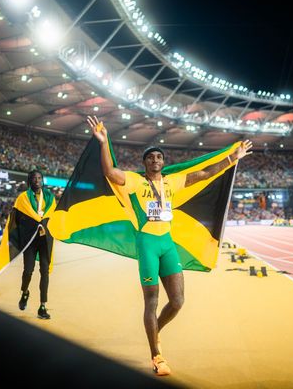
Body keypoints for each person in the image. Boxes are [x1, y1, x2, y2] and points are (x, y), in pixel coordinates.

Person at [87, 115, 252, 376]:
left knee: (177, 301)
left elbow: (205, 173)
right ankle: (157, 355)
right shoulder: (135, 181)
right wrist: (104, 141)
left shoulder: (171, 182)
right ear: (145, 163)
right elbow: (110, 172)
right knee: (151, 302)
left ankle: (154, 332)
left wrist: (233, 158)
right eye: (151, 157)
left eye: (159, 158)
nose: (155, 160)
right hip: (147, 245)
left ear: (164, 163)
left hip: (167, 243)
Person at [16, 170, 56, 320]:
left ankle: (42, 306)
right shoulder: (23, 198)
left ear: (42, 180)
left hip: (45, 239)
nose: (37, 180)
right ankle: (25, 292)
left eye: (39, 178)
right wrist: (33, 223)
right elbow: (18, 218)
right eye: (34, 178)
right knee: (28, 270)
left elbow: (52, 216)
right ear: (30, 181)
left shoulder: (50, 197)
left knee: (44, 271)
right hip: (30, 240)